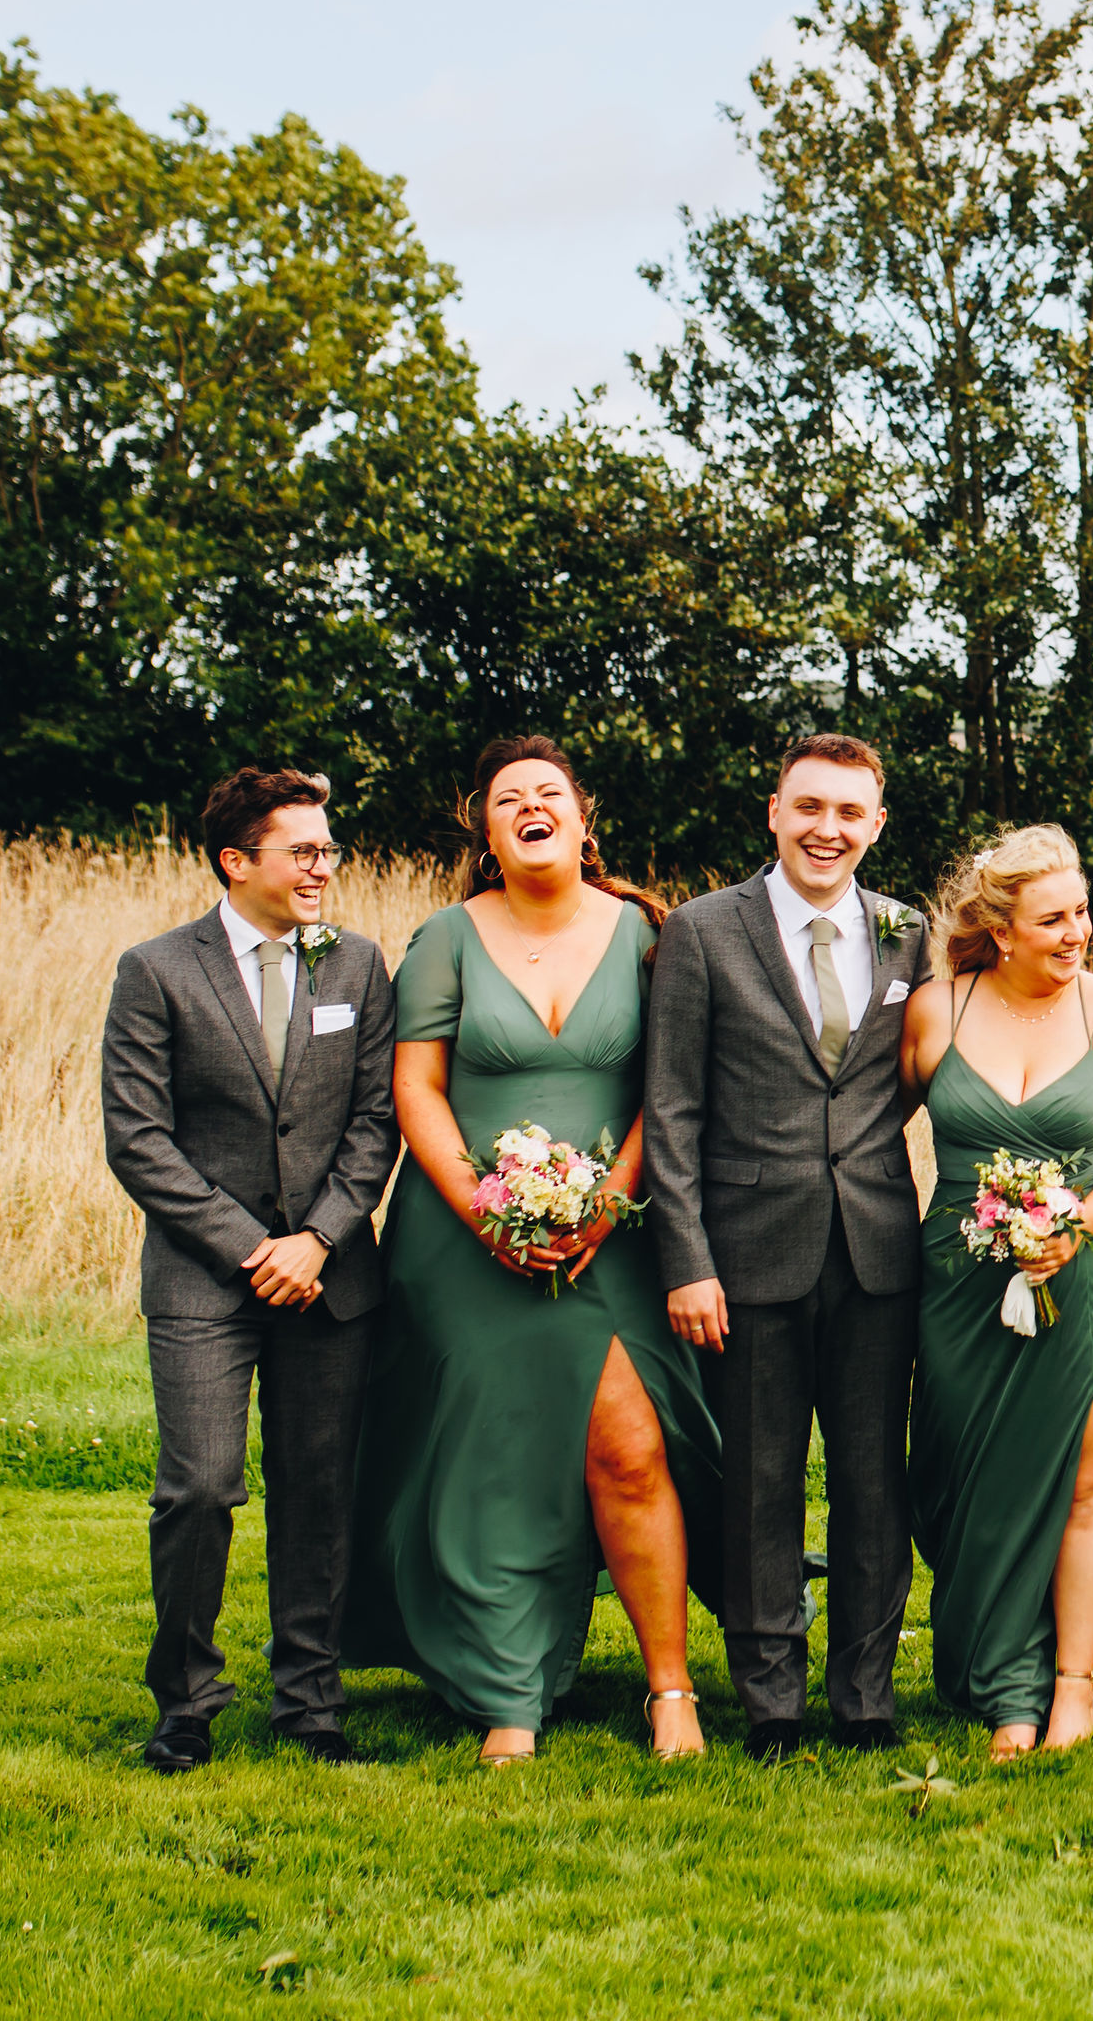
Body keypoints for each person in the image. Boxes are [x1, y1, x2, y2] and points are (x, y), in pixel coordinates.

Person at [344, 736, 722, 1766]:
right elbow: (415, 1087)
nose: (529, 807)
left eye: (547, 793)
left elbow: (669, 1089)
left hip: (617, 1236)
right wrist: (484, 1212)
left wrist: (606, 1204)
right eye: (508, 799)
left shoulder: (651, 934)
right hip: (466, 1243)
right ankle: (509, 1692)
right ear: (486, 829)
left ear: (582, 817)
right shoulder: (444, 940)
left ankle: (671, 1689)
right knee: (496, 1461)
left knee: (628, 1449)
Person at [101, 767, 399, 1772]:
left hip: (331, 1277)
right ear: (238, 861)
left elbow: (375, 1123)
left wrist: (317, 1239)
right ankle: (186, 1699)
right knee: (199, 1486)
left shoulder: (357, 966)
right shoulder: (156, 971)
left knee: (318, 1493)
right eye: (304, 851)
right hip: (202, 1282)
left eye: (329, 850)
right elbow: (138, 1141)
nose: (325, 867)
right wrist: (249, 1247)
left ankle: (310, 1703)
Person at [641, 735, 930, 1761]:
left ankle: (864, 1696)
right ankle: (769, 1702)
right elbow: (670, 1108)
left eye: (850, 813)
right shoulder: (704, 931)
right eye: (810, 807)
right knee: (760, 1483)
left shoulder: (909, 933)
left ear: (877, 825)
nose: (828, 830)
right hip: (745, 1254)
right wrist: (685, 1259)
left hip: (877, 1251)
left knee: (870, 1481)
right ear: (774, 812)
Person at [902, 827, 1093, 1758]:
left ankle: (1072, 1686)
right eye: (1053, 919)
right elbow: (860, 1128)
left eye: (1083, 914)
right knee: (973, 1481)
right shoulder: (936, 1010)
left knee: (1089, 1477)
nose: (1077, 934)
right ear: (1002, 930)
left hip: (1089, 1282)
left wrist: (1078, 1225)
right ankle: (1004, 1681)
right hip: (961, 1285)